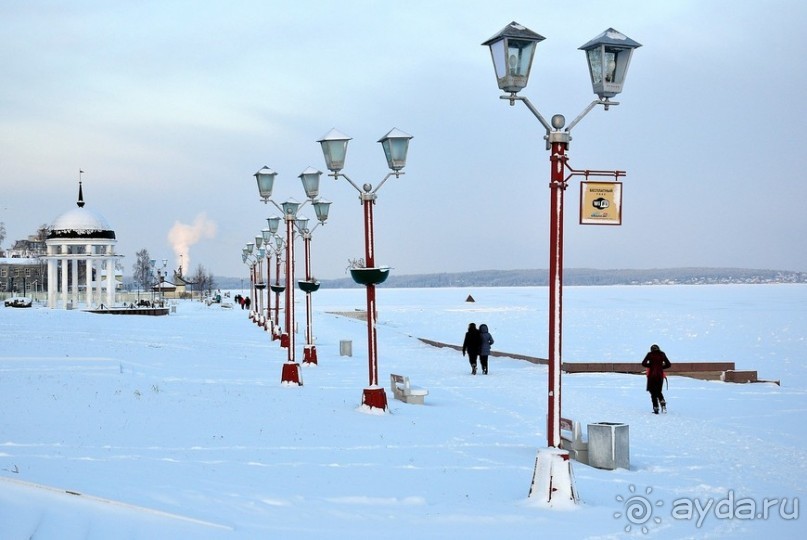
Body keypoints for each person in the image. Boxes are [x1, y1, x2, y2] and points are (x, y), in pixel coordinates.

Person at [642, 344, 671, 414]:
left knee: (652, 392)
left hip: (652, 376)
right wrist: (660, 367)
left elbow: (643, 363)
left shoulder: (650, 354)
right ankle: (662, 401)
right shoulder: (662, 354)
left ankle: (656, 407)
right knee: (658, 391)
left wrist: (651, 365)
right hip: (660, 376)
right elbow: (668, 364)